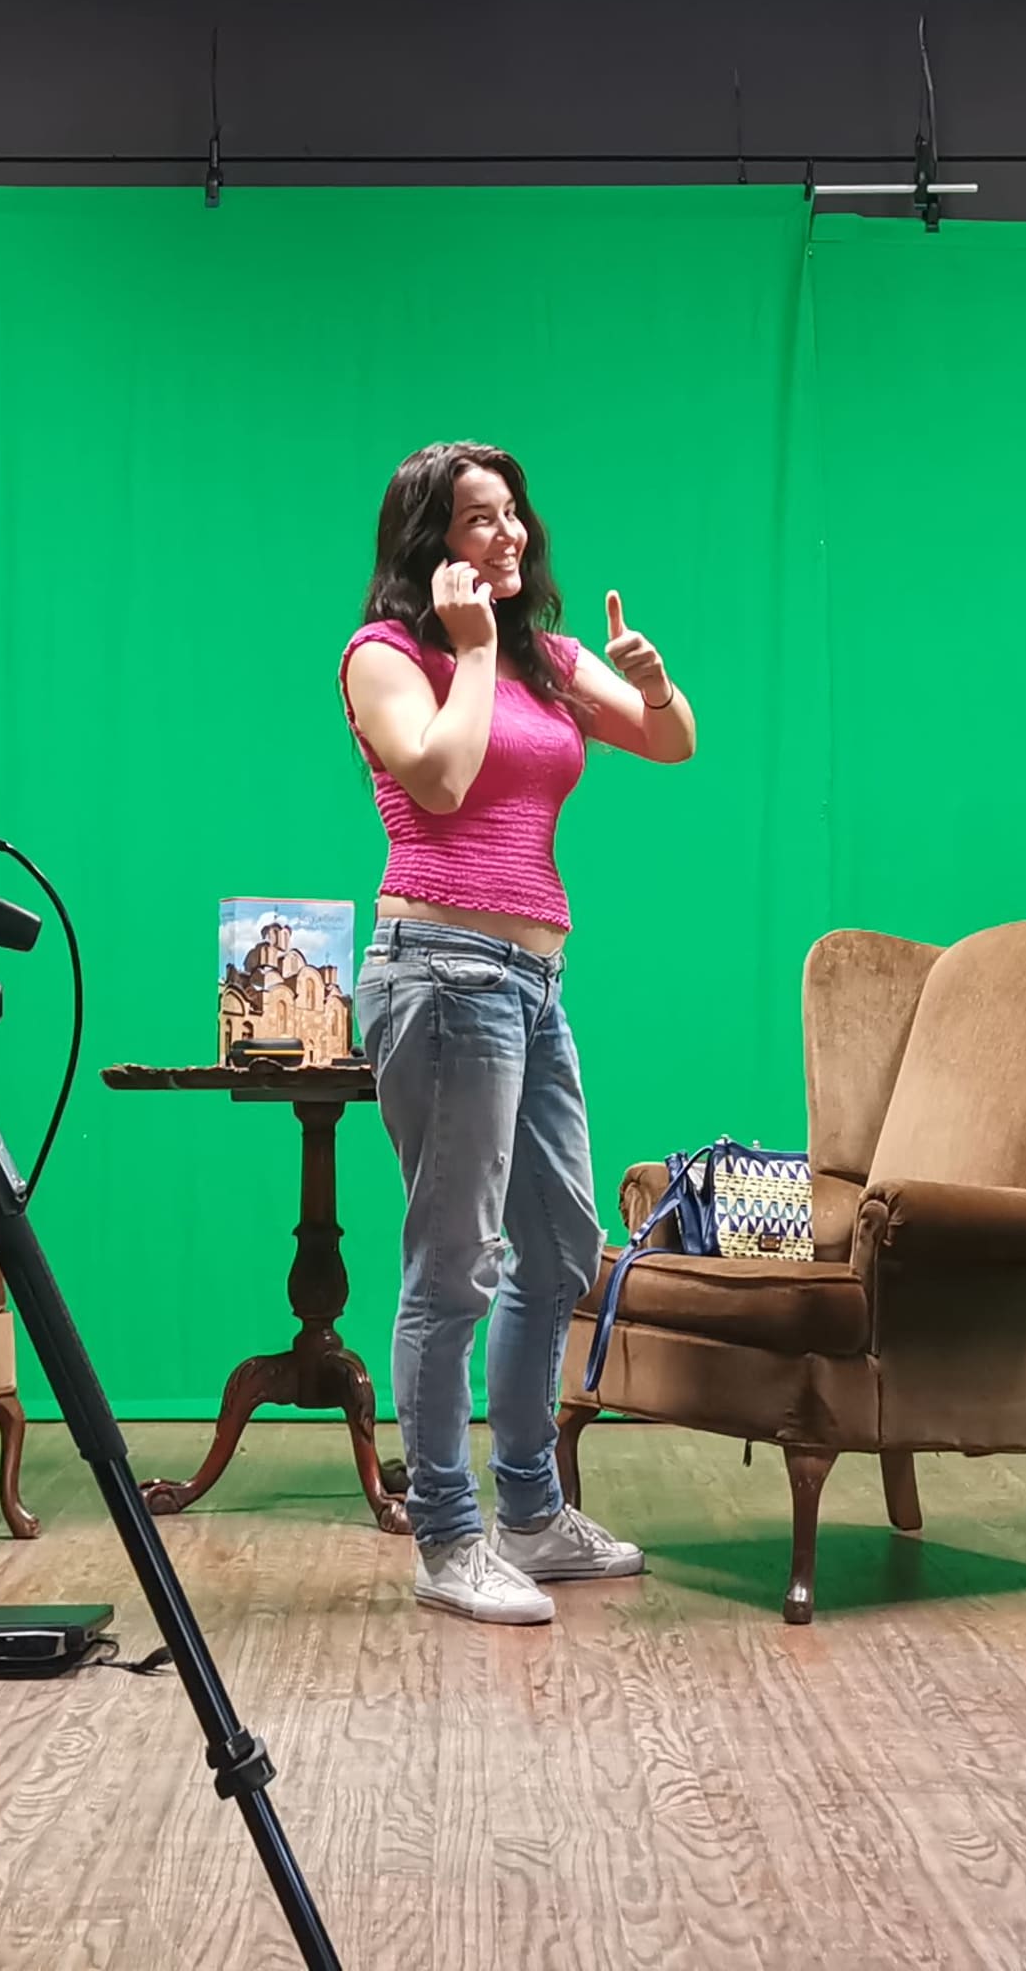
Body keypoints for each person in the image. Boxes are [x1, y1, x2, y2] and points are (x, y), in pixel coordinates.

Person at [340, 440, 695, 1623]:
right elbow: (440, 783)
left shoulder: (548, 657)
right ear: (429, 542)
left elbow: (670, 740)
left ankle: (533, 1517)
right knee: (455, 1267)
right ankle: (449, 1539)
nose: (508, 536)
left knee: (560, 1250)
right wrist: (479, 652)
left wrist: (650, 681)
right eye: (478, 519)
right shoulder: (386, 657)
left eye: (513, 515)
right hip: (441, 973)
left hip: (535, 981)